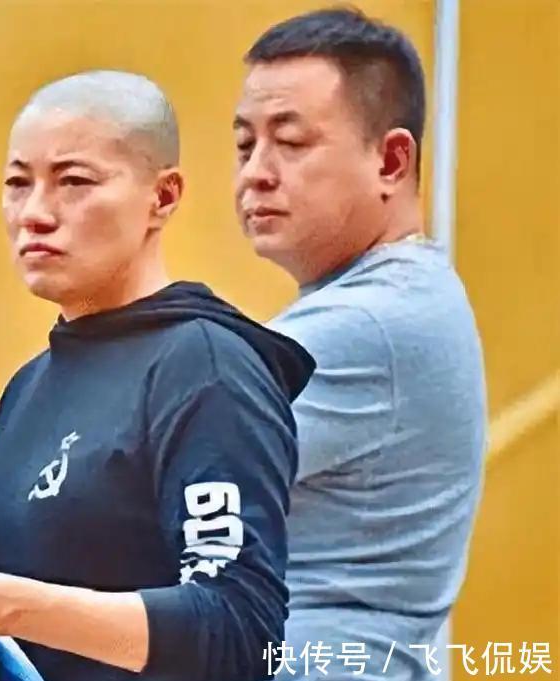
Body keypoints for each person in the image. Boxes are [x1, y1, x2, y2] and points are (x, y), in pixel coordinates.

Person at [0, 70, 315, 681]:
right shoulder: (30, 385)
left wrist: (3, 605)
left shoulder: (207, 369)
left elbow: (239, 630)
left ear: (163, 196)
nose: (35, 213)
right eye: (18, 183)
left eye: (74, 182)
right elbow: (2, 636)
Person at [232, 8, 486, 679]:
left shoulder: (366, 322)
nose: (256, 172)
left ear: (391, 160)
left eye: (290, 142)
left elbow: (138, 485)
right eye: (245, 145)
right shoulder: (392, 300)